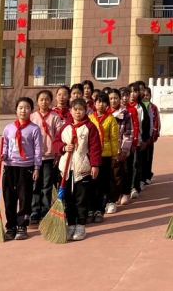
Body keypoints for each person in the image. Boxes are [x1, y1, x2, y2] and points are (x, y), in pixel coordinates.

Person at [53, 98, 101, 241]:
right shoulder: (65, 127)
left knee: (81, 199)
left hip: (83, 169)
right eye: (75, 109)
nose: (78, 112)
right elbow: (56, 142)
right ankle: (71, 224)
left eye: (81, 109)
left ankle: (81, 225)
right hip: (66, 169)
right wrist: (63, 147)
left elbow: (95, 148)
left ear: (86, 111)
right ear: (70, 111)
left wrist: (95, 165)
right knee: (68, 199)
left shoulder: (90, 127)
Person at [0, 97, 42, 240]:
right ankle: (10, 226)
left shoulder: (34, 129)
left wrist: (37, 167)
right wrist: (3, 155)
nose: (23, 111)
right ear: (16, 110)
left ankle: (22, 226)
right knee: (9, 198)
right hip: (10, 166)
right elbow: (5, 144)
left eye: (27, 108)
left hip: (26, 167)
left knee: (24, 198)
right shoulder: (8, 128)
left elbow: (38, 150)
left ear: (31, 110)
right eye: (20, 108)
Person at [29, 90, 63, 225]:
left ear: (51, 101)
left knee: (47, 185)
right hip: (34, 158)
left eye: (47, 99)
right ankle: (34, 211)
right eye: (41, 99)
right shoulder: (32, 117)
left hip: (49, 156)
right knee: (34, 185)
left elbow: (59, 136)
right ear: (37, 101)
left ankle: (45, 211)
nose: (44, 102)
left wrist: (58, 154)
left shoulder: (55, 117)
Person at [88, 92, 118, 224]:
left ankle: (99, 210)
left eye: (104, 102)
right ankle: (90, 209)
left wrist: (114, 156)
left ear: (107, 105)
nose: (101, 104)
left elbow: (114, 138)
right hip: (91, 156)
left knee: (102, 184)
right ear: (94, 104)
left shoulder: (111, 119)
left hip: (105, 155)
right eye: (98, 101)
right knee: (91, 184)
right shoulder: (90, 118)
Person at [109, 88, 135, 209]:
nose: (113, 101)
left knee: (118, 174)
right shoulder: (104, 113)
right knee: (108, 176)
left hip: (119, 150)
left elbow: (128, 133)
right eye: (110, 98)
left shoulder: (125, 114)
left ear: (119, 99)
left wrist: (125, 149)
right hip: (106, 151)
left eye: (115, 98)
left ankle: (119, 196)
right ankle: (111, 197)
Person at [141, 87, 160, 186]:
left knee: (148, 158)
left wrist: (154, 134)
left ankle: (148, 176)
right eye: (144, 95)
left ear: (150, 96)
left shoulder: (153, 107)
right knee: (141, 158)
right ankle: (141, 177)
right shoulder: (140, 106)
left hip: (150, 137)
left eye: (147, 95)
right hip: (141, 137)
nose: (145, 97)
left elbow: (156, 121)